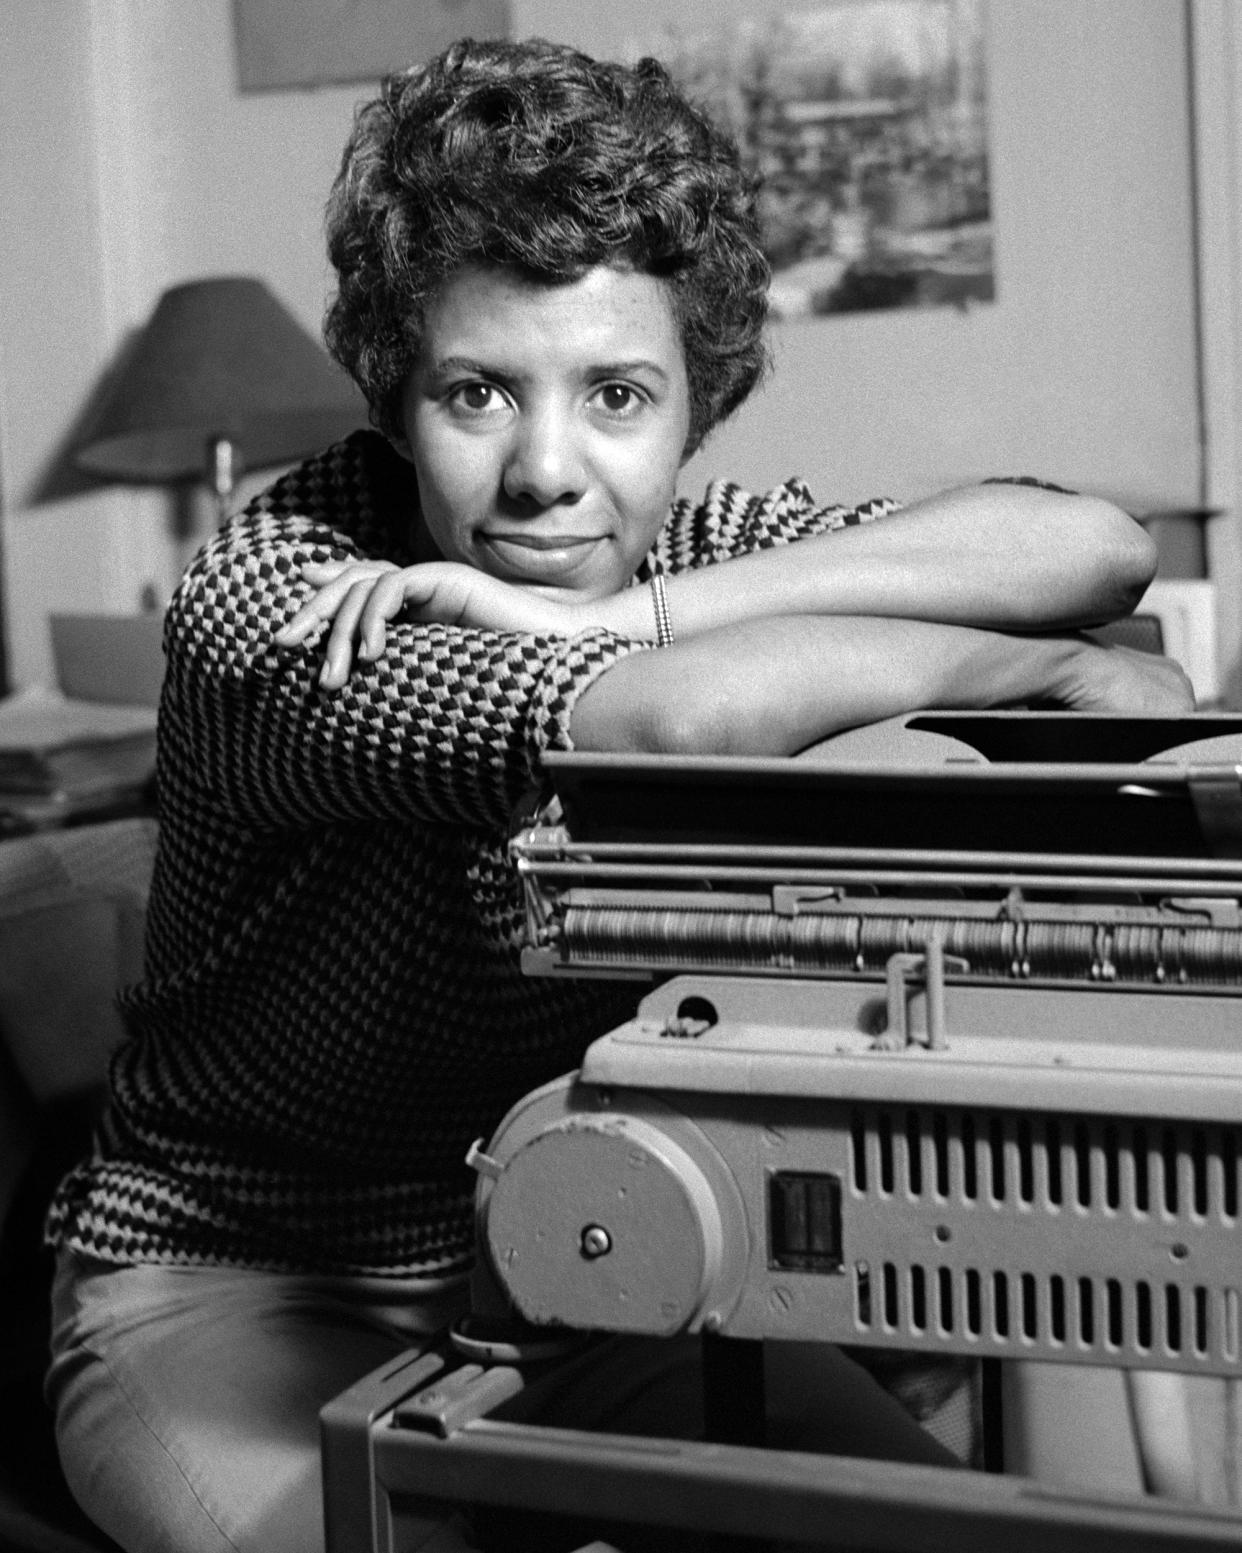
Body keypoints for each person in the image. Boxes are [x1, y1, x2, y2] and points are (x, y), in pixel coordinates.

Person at [45, 35, 1191, 1553]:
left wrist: (625, 615)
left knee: (957, 1530)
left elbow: (1095, 548)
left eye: (617, 395)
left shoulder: (689, 565)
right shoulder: (289, 596)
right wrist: (1046, 673)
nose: (545, 471)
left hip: (584, 1259)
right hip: (235, 1284)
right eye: (477, 392)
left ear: (694, 407)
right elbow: (688, 721)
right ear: (392, 396)